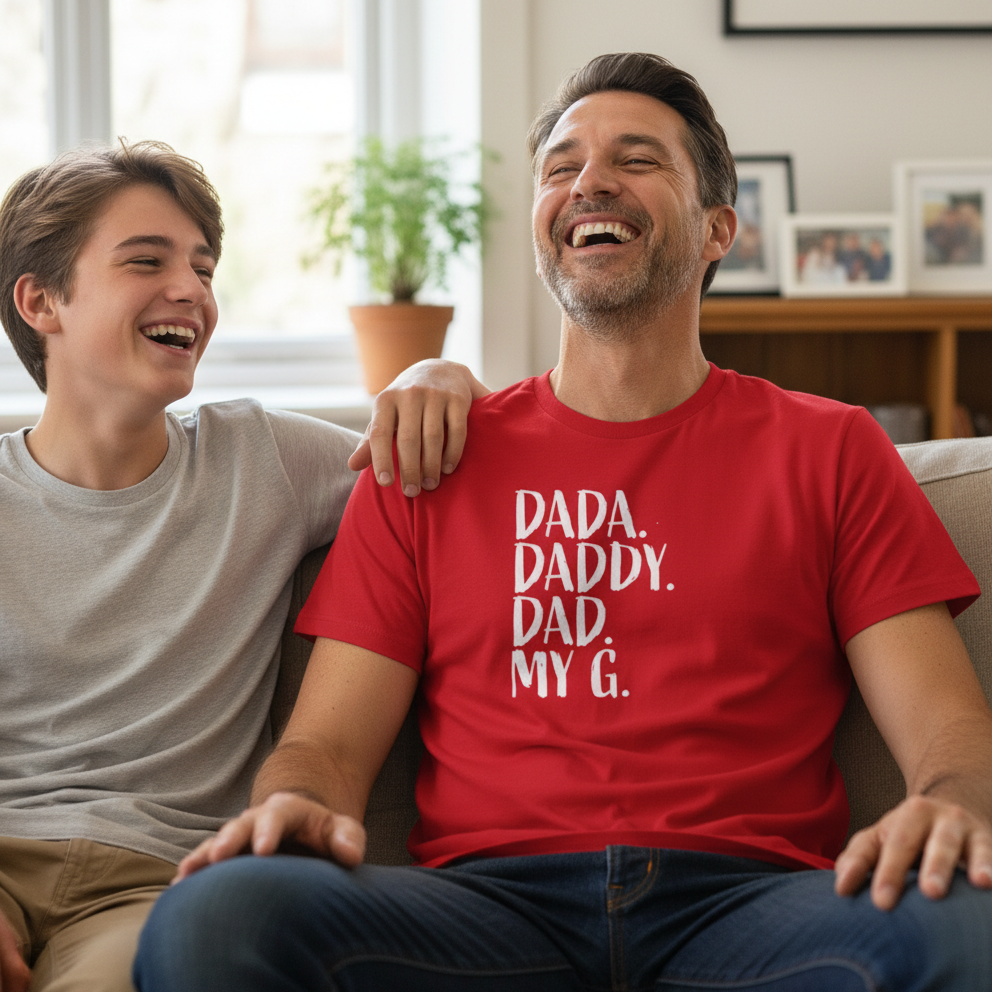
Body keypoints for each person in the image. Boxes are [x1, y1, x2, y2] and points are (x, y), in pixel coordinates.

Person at [135, 53, 992, 992]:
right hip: (485, 913)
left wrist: (954, 807)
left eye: (638, 159)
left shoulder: (832, 450)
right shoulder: (427, 454)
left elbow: (951, 733)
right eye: (561, 166)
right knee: (213, 921)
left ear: (717, 231)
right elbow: (326, 748)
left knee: (966, 929)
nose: (589, 181)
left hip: (754, 908)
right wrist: (294, 805)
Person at [0, 139, 484, 992]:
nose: (190, 289)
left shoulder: (263, 458)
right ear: (41, 301)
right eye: (146, 261)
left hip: (150, 884)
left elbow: (449, 476)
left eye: (203, 266)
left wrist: (436, 370)